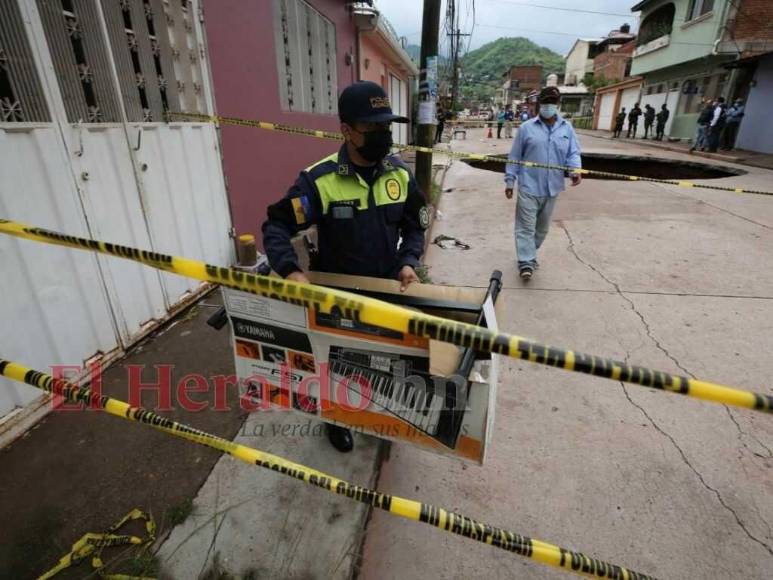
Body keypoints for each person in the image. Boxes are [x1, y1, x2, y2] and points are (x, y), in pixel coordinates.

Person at [262, 81, 428, 452]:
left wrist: (408, 261)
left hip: (386, 292)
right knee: (337, 365)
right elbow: (276, 225)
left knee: (383, 360)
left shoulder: (399, 175)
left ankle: (378, 411)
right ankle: (335, 418)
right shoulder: (319, 182)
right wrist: (291, 271)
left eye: (387, 127)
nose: (383, 136)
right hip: (338, 299)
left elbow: (416, 223)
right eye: (373, 128)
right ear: (347, 131)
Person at [504, 86, 582, 280]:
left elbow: (573, 152)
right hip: (529, 185)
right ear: (539, 104)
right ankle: (526, 262)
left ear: (558, 105)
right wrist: (510, 180)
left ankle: (530, 252)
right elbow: (515, 156)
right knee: (525, 227)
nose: (549, 106)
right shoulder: (526, 128)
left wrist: (575, 170)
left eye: (552, 103)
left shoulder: (567, 128)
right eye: (545, 103)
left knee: (542, 229)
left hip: (552, 187)